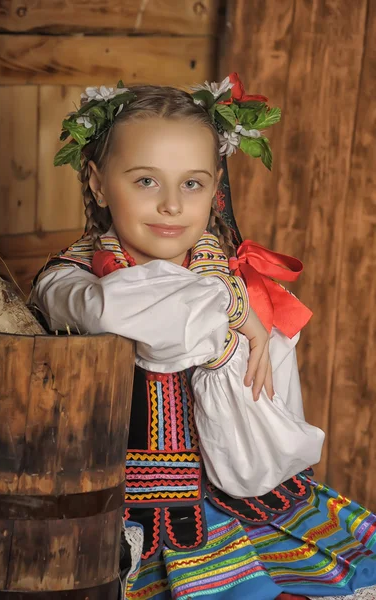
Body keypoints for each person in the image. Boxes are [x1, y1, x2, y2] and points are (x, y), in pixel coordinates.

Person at [32, 76, 376, 600]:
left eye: (191, 184)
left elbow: (263, 452)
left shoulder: (230, 282)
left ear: (215, 188)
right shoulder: (70, 283)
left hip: (231, 501)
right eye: (145, 180)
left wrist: (238, 316)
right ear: (99, 183)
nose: (171, 205)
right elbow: (132, 311)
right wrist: (235, 321)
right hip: (114, 516)